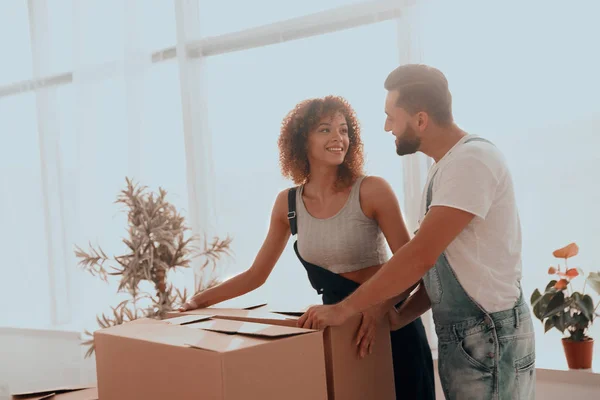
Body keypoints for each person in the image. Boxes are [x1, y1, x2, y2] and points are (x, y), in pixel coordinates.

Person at [298, 65, 536, 400]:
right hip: (469, 338)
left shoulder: (472, 161)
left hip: (489, 336)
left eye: (391, 117)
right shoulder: (447, 167)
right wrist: (397, 314)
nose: (386, 127)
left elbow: (419, 255)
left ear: (421, 120)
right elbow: (441, 263)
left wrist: (342, 309)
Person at [179, 95, 435, 399]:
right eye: (325, 129)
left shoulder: (372, 190)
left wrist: (377, 310)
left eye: (343, 129)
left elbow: (412, 267)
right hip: (338, 333)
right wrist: (197, 302)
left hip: (387, 327)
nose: (338, 138)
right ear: (302, 141)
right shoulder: (287, 205)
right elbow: (256, 275)